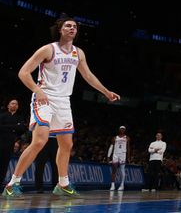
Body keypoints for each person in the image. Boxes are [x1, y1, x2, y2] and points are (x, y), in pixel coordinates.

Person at [3, 17, 120, 199]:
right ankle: (12, 183)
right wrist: (36, 90)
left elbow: (88, 76)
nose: (72, 28)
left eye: (74, 26)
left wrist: (106, 91)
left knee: (67, 144)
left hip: (64, 101)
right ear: (60, 29)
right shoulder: (48, 49)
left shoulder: (78, 53)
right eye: (68, 25)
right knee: (39, 141)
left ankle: (63, 183)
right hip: (44, 98)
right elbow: (23, 72)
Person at [0, 99, 25, 185]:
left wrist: (7, 127)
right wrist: (14, 127)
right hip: (1, 141)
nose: (14, 105)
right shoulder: (2, 115)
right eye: (12, 103)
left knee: (5, 164)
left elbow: (22, 128)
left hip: (11, 143)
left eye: (16, 104)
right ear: (8, 106)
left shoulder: (19, 117)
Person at [109, 125, 130, 191]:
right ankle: (112, 185)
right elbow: (111, 147)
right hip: (115, 154)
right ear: (119, 130)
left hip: (123, 154)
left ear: (125, 130)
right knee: (114, 169)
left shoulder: (127, 138)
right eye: (121, 129)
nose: (122, 130)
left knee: (122, 170)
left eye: (123, 129)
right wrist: (108, 156)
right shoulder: (115, 138)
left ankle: (122, 185)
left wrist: (128, 157)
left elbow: (128, 148)